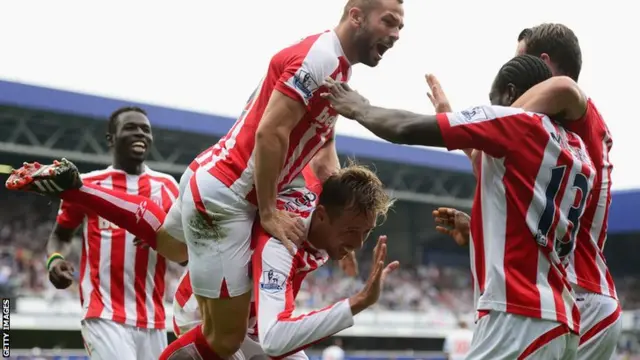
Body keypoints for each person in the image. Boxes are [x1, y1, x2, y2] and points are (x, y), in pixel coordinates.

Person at [321, 54, 595, 359]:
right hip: (562, 320)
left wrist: (359, 107)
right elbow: (524, 208)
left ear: (510, 93)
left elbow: (406, 128)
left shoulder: (518, 121)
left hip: (516, 315)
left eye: (496, 100)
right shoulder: (578, 151)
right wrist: (477, 226)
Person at [169, 163, 397, 360]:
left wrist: (347, 247)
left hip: (254, 321)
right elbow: (274, 340)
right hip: (206, 315)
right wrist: (360, 301)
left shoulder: (326, 200)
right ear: (321, 216)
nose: (358, 243)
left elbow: (321, 154)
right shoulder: (281, 245)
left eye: (366, 232)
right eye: (351, 231)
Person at [11, 107, 180, 360]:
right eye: (131, 128)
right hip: (103, 313)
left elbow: (185, 253)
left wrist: (162, 240)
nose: (140, 134)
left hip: (153, 319)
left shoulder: (167, 187)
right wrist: (54, 259)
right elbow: (62, 235)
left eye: (146, 129)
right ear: (111, 138)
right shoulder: (86, 184)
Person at [513, 23, 622, 360]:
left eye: (519, 61)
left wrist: (484, 119)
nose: (511, 71)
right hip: (579, 294)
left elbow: (562, 87)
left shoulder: (575, 107)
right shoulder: (561, 137)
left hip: (582, 292)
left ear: (544, 63)